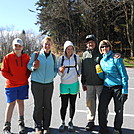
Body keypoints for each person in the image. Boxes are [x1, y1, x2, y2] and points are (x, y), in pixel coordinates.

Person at [96, 40, 128, 134]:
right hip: (106, 87)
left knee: (118, 109)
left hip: (117, 87)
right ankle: (103, 129)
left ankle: (117, 129)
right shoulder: (102, 60)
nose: (104, 48)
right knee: (101, 108)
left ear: (109, 47)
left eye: (106, 46)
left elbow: (124, 75)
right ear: (100, 49)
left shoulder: (116, 58)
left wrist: (125, 91)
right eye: (102, 47)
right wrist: (99, 72)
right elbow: (103, 76)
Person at [27, 36, 57, 134]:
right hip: (37, 84)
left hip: (49, 84)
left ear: (51, 45)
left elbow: (56, 69)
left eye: (49, 44)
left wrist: (53, 75)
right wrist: (33, 67)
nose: (47, 46)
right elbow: (29, 65)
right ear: (42, 44)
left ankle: (46, 127)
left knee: (47, 105)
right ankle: (38, 127)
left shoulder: (53, 56)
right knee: (38, 105)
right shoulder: (36, 54)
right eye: (46, 44)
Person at [1, 38, 31, 134]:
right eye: (15, 46)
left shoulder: (26, 57)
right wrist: (13, 78)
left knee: (20, 103)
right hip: (11, 85)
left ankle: (21, 123)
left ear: (22, 47)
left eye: (19, 46)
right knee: (11, 104)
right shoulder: (7, 57)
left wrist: (25, 77)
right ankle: (7, 126)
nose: (17, 47)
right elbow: (3, 71)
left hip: (23, 85)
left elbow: (29, 70)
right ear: (13, 47)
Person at [81, 35, 104, 131]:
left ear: (95, 42)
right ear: (87, 44)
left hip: (100, 83)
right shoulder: (85, 54)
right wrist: (83, 82)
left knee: (103, 104)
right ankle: (90, 121)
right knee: (90, 103)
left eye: (92, 42)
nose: (90, 43)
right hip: (89, 83)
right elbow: (83, 69)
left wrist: (117, 54)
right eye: (88, 42)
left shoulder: (101, 53)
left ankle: (103, 122)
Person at [58, 41, 81, 132]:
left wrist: (79, 73)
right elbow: (58, 72)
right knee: (64, 105)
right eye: (68, 49)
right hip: (64, 84)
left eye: (71, 49)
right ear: (65, 49)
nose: (70, 50)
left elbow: (80, 66)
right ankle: (62, 122)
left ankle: (71, 121)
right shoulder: (61, 59)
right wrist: (61, 71)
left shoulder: (76, 57)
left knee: (72, 104)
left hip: (74, 84)